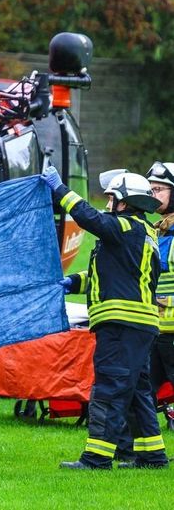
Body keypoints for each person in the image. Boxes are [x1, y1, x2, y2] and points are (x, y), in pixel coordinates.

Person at [45, 166, 168, 470]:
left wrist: (60, 190)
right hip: (139, 325)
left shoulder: (125, 226)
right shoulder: (144, 232)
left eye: (112, 197)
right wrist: (76, 282)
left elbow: (90, 218)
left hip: (121, 325)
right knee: (138, 392)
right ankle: (152, 456)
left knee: (109, 389)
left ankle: (96, 458)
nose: (108, 204)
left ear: (125, 202)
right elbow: (116, 275)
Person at [146, 162, 174, 416]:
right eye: (150, 190)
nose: (153, 195)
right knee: (142, 392)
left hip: (172, 332)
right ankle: (140, 451)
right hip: (157, 329)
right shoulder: (160, 231)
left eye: (159, 190)